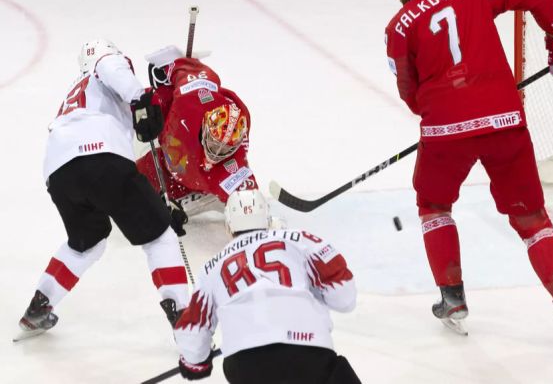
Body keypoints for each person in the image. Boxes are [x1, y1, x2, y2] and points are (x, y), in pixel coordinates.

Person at [379, 0, 553, 338]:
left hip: (445, 132)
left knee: (433, 204)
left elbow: (409, 94)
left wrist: (441, 114)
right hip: (504, 121)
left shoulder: (399, 27)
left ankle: (453, 297)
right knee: (530, 218)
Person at [17, 39, 190, 339]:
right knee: (160, 235)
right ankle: (185, 319)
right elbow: (108, 64)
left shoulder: (80, 94)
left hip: (60, 171)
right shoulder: (104, 62)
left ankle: (40, 304)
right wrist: (141, 96)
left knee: (87, 241)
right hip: (99, 154)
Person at [173, 189, 361, 383]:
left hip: (244, 365)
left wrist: (195, 364)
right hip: (305, 351)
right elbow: (344, 298)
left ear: (228, 225)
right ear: (267, 218)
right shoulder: (300, 240)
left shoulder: (211, 268)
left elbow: (192, 336)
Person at [136, 46, 257, 221]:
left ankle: (207, 193)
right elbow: (185, 70)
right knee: (126, 186)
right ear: (206, 128)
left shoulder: (233, 167)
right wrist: (167, 66)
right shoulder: (193, 99)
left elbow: (249, 203)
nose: (215, 153)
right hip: (169, 160)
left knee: (144, 209)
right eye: (214, 143)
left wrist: (254, 214)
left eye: (224, 150)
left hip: (188, 178)